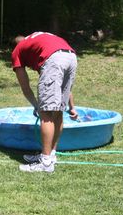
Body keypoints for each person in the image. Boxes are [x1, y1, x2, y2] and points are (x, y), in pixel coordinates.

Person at [11, 32, 78, 172]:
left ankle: (45, 162)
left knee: (45, 113)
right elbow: (60, 87)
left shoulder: (18, 50)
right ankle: (51, 155)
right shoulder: (37, 42)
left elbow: (25, 86)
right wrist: (72, 107)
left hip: (54, 59)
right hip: (71, 56)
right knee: (58, 111)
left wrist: (37, 106)